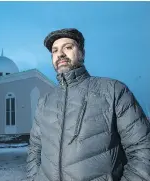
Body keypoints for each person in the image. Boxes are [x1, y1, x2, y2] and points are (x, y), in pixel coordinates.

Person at [26, 28, 150, 181]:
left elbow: (142, 149)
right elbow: (35, 150)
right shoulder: (45, 102)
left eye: (68, 47)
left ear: (82, 54)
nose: (60, 54)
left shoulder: (113, 91)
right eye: (55, 50)